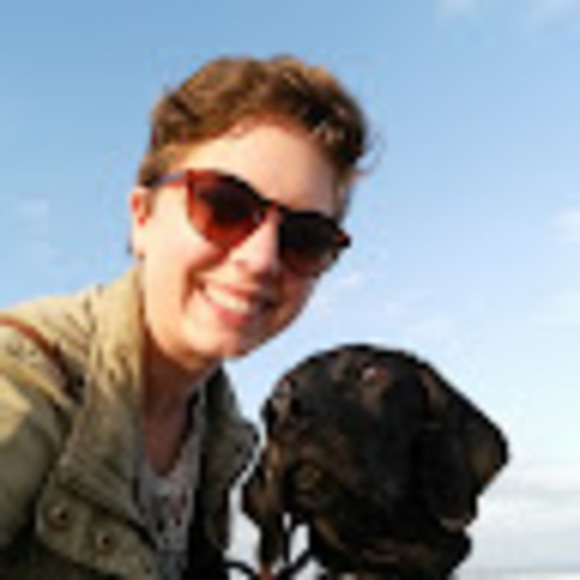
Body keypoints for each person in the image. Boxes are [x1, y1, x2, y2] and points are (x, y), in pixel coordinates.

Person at [0, 54, 369, 579]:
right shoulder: (27, 378)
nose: (261, 259)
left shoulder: (221, 436)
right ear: (142, 218)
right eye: (224, 206)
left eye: (305, 239)